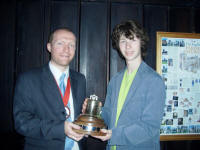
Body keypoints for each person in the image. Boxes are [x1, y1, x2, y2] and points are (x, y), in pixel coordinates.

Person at [82, 20, 166, 150]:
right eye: (123, 41)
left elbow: (150, 126)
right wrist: (94, 111)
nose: (128, 46)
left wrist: (113, 135)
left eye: (132, 40)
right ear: (118, 46)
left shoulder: (154, 80)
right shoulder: (115, 80)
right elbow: (109, 116)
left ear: (141, 42)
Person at [13, 28, 87, 150]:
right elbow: (22, 123)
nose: (66, 49)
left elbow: (78, 116)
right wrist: (60, 128)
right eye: (60, 43)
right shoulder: (28, 79)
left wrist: (86, 115)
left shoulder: (80, 79)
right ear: (49, 47)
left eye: (71, 45)